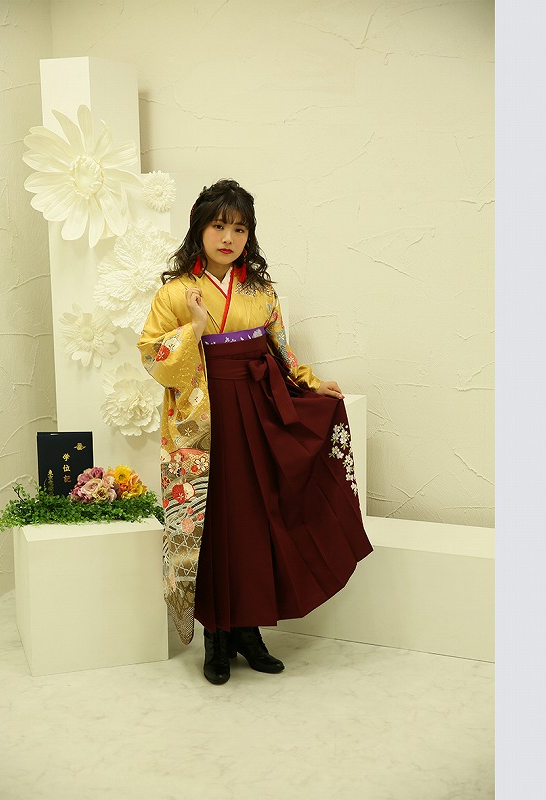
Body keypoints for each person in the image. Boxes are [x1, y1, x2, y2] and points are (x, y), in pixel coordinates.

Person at [137, 179, 373, 685]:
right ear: (199, 228)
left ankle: (249, 631)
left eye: (239, 228)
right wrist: (195, 326)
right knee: (213, 521)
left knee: (256, 518)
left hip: (256, 407)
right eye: (219, 226)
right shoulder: (175, 292)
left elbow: (279, 349)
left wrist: (310, 383)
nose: (228, 237)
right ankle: (217, 636)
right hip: (204, 416)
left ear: (249, 235)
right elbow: (152, 357)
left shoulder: (260, 292)